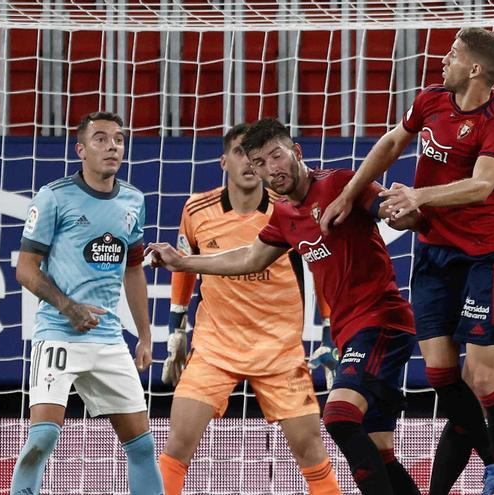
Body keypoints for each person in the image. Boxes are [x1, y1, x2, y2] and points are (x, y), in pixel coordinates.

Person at [147, 118, 420, 495]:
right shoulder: (283, 215)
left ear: (296, 151)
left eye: (275, 156)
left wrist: (406, 212)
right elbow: (249, 258)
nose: (268, 168)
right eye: (258, 161)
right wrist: (183, 266)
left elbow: (394, 210)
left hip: (352, 330)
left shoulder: (337, 185)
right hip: (228, 346)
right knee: (379, 449)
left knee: (335, 422)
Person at [319, 27, 494, 495]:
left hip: (480, 258)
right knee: (440, 374)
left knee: (486, 376)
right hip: (432, 252)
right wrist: (350, 194)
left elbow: (482, 186)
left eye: (452, 55)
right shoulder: (430, 99)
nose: (442, 60)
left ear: (474, 69)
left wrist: (418, 195)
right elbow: (391, 144)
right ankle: (492, 458)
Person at [156, 124, 341, 495]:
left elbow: (320, 268)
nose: (248, 163)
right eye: (240, 153)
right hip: (215, 348)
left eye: (254, 156)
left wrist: (330, 330)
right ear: (224, 161)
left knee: (312, 451)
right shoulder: (196, 209)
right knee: (178, 443)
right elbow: (184, 265)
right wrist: (177, 330)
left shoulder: (288, 209)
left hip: (280, 349)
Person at [11, 111, 163, 495]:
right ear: (80, 149)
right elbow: (26, 270)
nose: (112, 146)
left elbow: (132, 270)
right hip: (59, 334)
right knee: (43, 438)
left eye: (118, 139)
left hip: (109, 339)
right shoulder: (54, 197)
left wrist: (144, 335)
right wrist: (69, 308)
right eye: (100, 138)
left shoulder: (133, 200)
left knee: (143, 445)